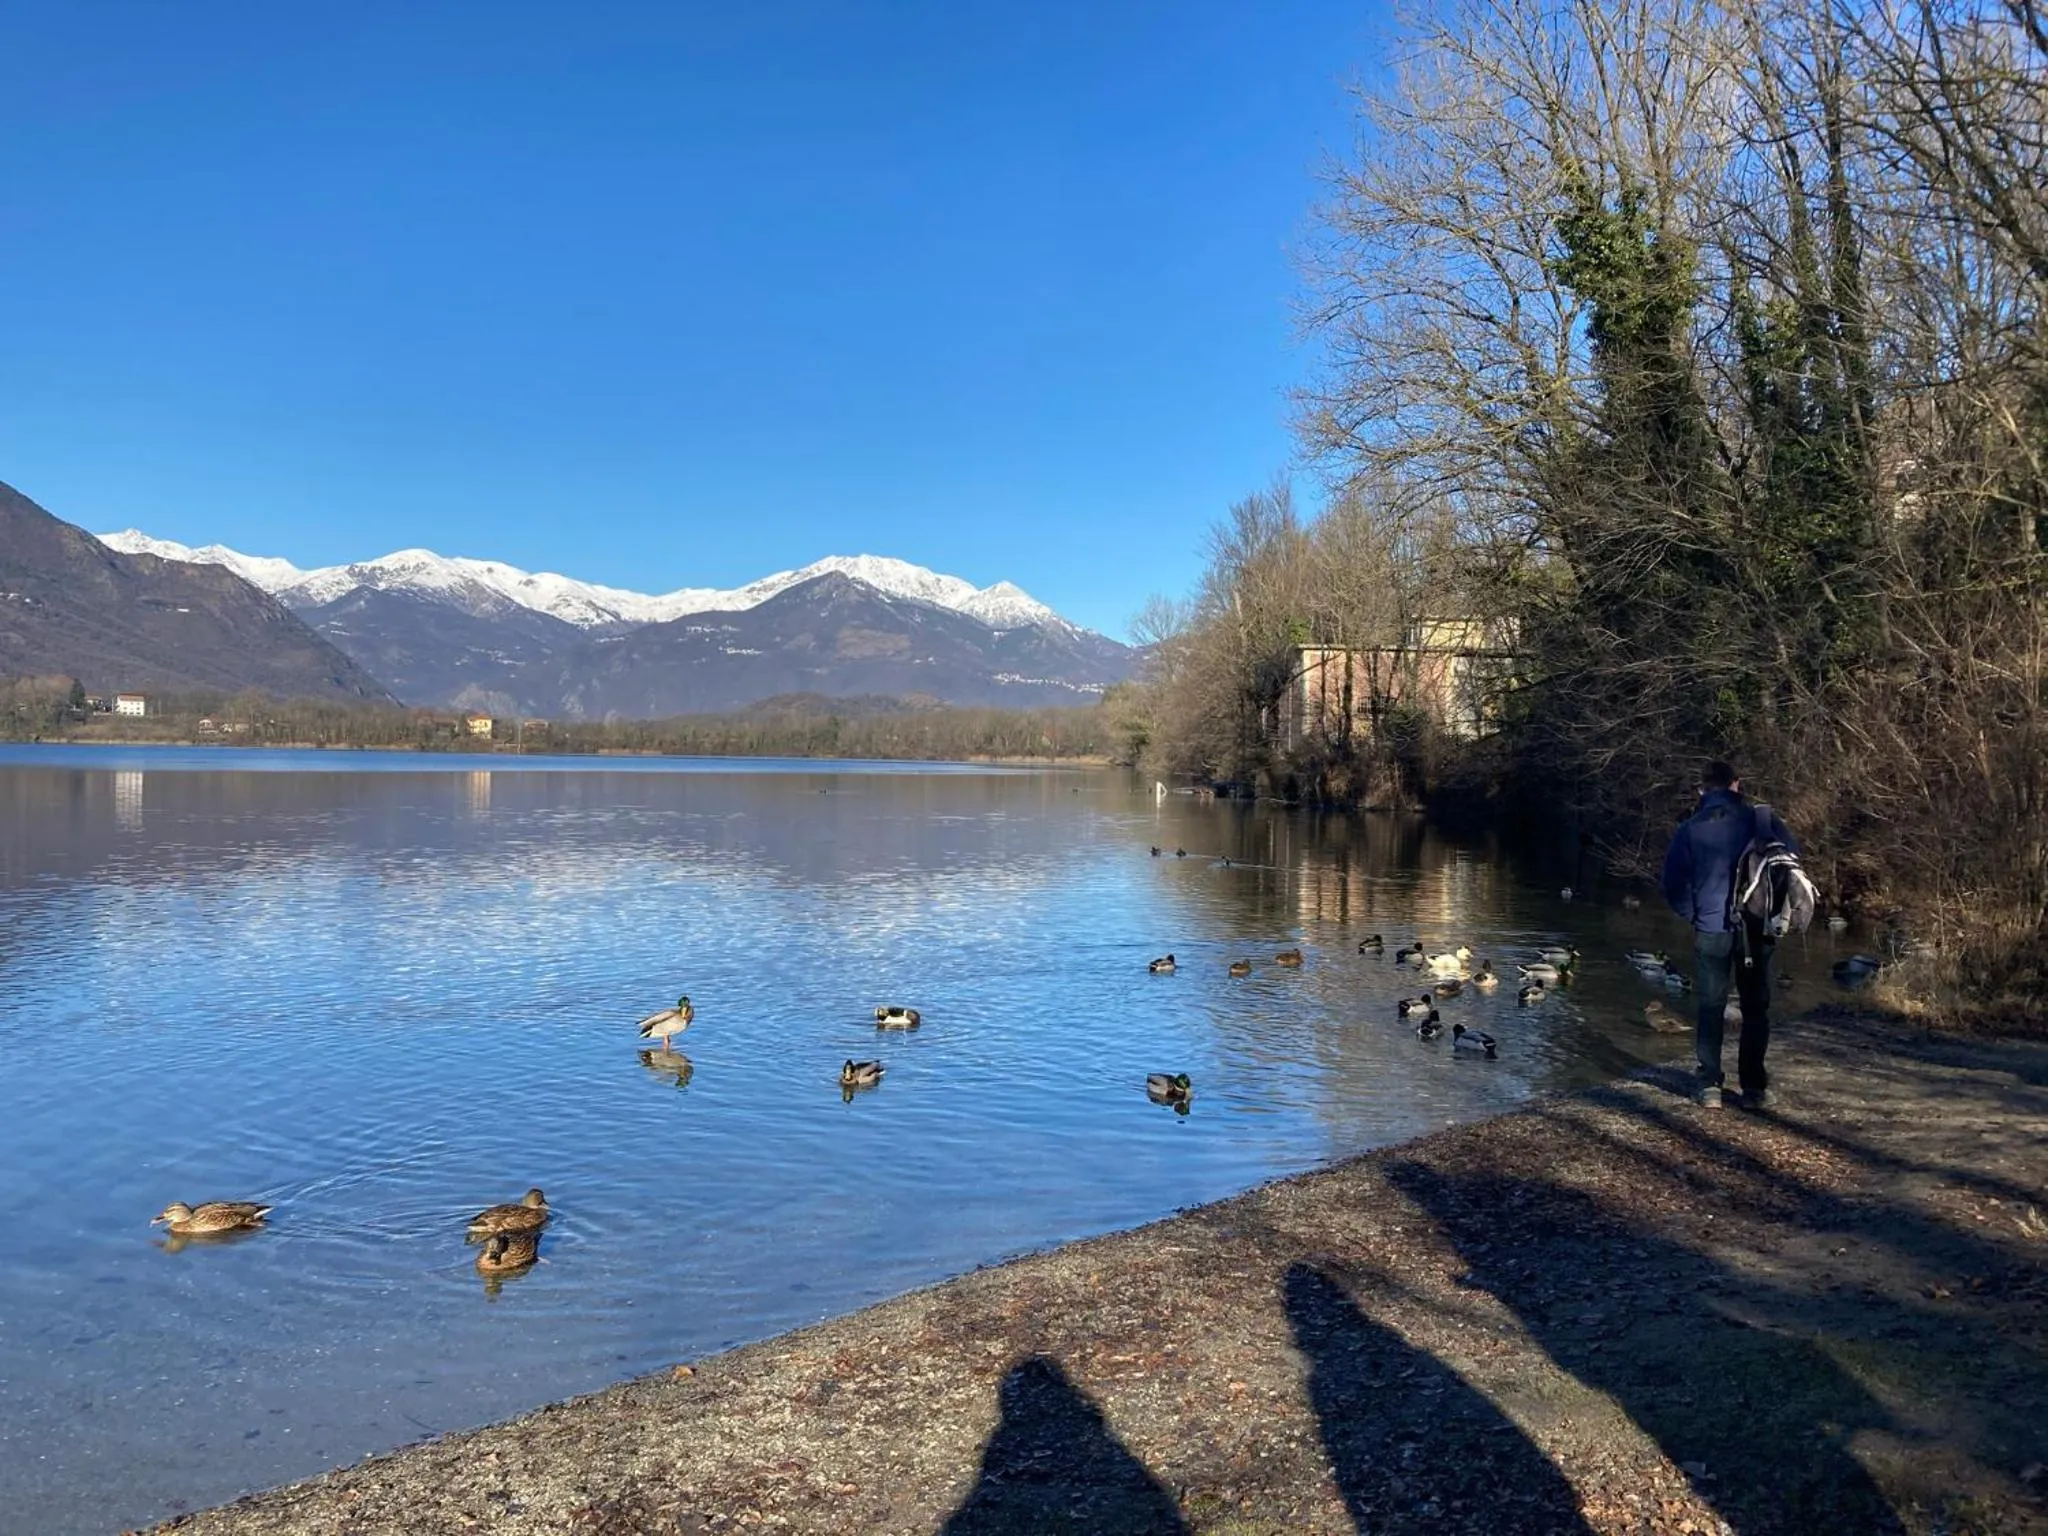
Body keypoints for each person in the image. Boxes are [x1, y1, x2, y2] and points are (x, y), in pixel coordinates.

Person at [1660, 760, 1799, 1110]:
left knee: (1711, 1005)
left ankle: (1709, 1085)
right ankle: (1753, 1087)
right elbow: (1791, 864)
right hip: (1758, 926)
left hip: (1712, 926)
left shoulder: (1690, 829)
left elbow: (1672, 884)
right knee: (1755, 1006)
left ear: (1702, 789)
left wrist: (1694, 914)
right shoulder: (1763, 821)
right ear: (1737, 783)